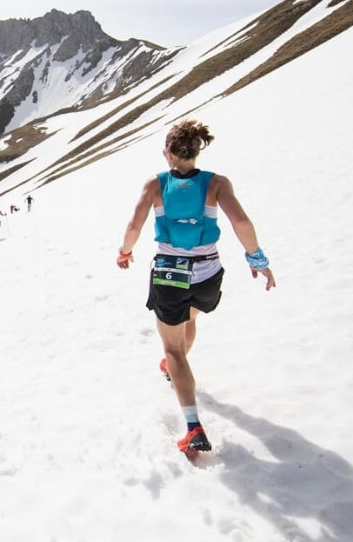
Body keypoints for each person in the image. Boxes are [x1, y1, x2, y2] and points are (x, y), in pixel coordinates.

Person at [116, 119, 276, 454]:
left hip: (169, 273)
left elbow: (135, 224)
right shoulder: (216, 183)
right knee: (191, 318)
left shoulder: (155, 185)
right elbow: (242, 222)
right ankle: (174, 367)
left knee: (172, 348)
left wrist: (125, 252)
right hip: (207, 273)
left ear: (170, 152)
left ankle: (193, 427)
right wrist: (257, 260)